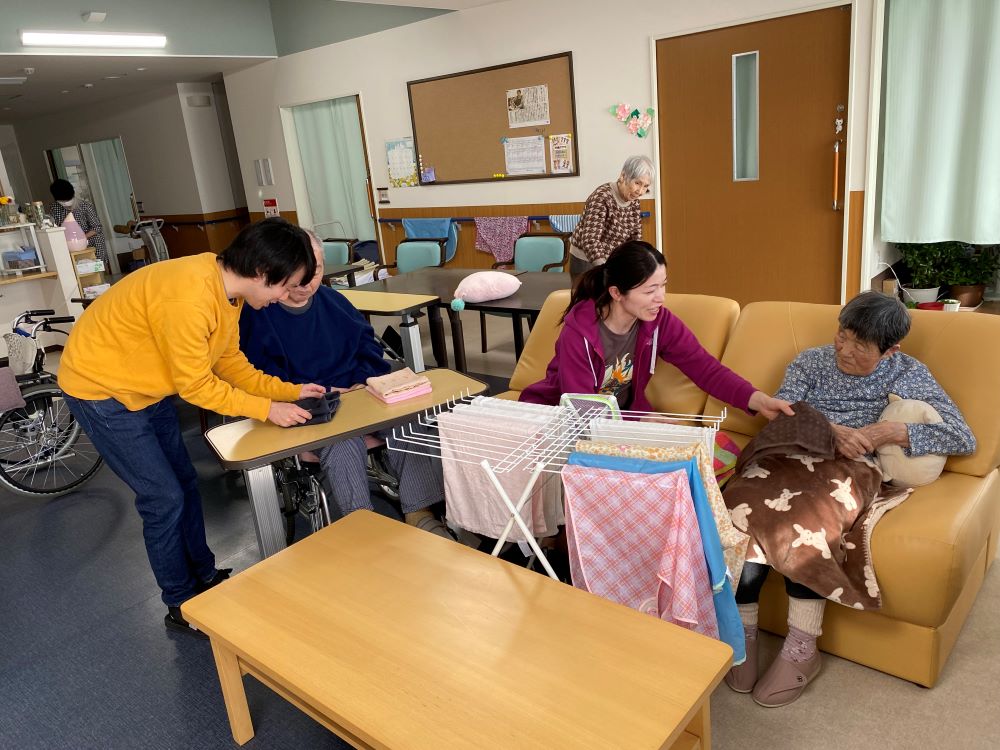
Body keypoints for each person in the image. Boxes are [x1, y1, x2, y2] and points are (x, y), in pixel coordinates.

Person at [58, 217, 325, 636]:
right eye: (284, 285)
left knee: (184, 483)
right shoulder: (189, 296)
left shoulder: (229, 293)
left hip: (146, 386)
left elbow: (228, 362)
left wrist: (288, 392)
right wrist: (266, 409)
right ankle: (181, 603)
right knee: (162, 498)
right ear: (261, 271)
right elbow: (197, 386)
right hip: (100, 390)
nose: (284, 296)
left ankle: (205, 576)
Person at [724, 291, 975, 707]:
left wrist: (892, 432)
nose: (844, 349)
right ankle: (742, 630)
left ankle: (802, 648)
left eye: (861, 346)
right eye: (842, 335)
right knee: (736, 511)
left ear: (891, 350)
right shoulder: (810, 361)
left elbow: (964, 437)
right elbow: (785, 412)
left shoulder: (908, 373)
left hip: (850, 469)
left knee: (804, 525)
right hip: (789, 453)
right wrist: (830, 430)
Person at [239, 232, 452, 538]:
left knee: (409, 420)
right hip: (308, 408)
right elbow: (259, 377)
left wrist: (362, 382)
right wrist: (324, 393)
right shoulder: (259, 312)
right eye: (300, 272)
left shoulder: (333, 301)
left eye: (317, 270)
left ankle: (420, 512)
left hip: (358, 394)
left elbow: (368, 348)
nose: (308, 282)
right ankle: (362, 530)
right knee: (342, 442)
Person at [519, 240, 793, 420]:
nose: (661, 298)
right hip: (557, 418)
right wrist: (640, 420)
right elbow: (582, 410)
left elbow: (705, 368)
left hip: (618, 423)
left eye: (663, 285)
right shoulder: (579, 333)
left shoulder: (660, 322)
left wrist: (758, 400)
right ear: (617, 293)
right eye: (650, 290)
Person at [568, 155, 653, 283]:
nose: (640, 191)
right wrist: (607, 270)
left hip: (612, 261)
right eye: (637, 183)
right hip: (586, 261)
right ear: (623, 176)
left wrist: (638, 263)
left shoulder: (633, 201)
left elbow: (635, 237)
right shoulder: (602, 197)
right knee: (591, 295)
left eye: (645, 186)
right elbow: (590, 240)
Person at [48, 178, 109, 267]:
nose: (65, 203)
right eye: (62, 201)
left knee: (96, 264)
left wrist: (81, 238)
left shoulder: (85, 206)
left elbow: (97, 227)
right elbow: (55, 227)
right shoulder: (55, 208)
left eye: (67, 199)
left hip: (90, 239)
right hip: (68, 243)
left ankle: (100, 269)